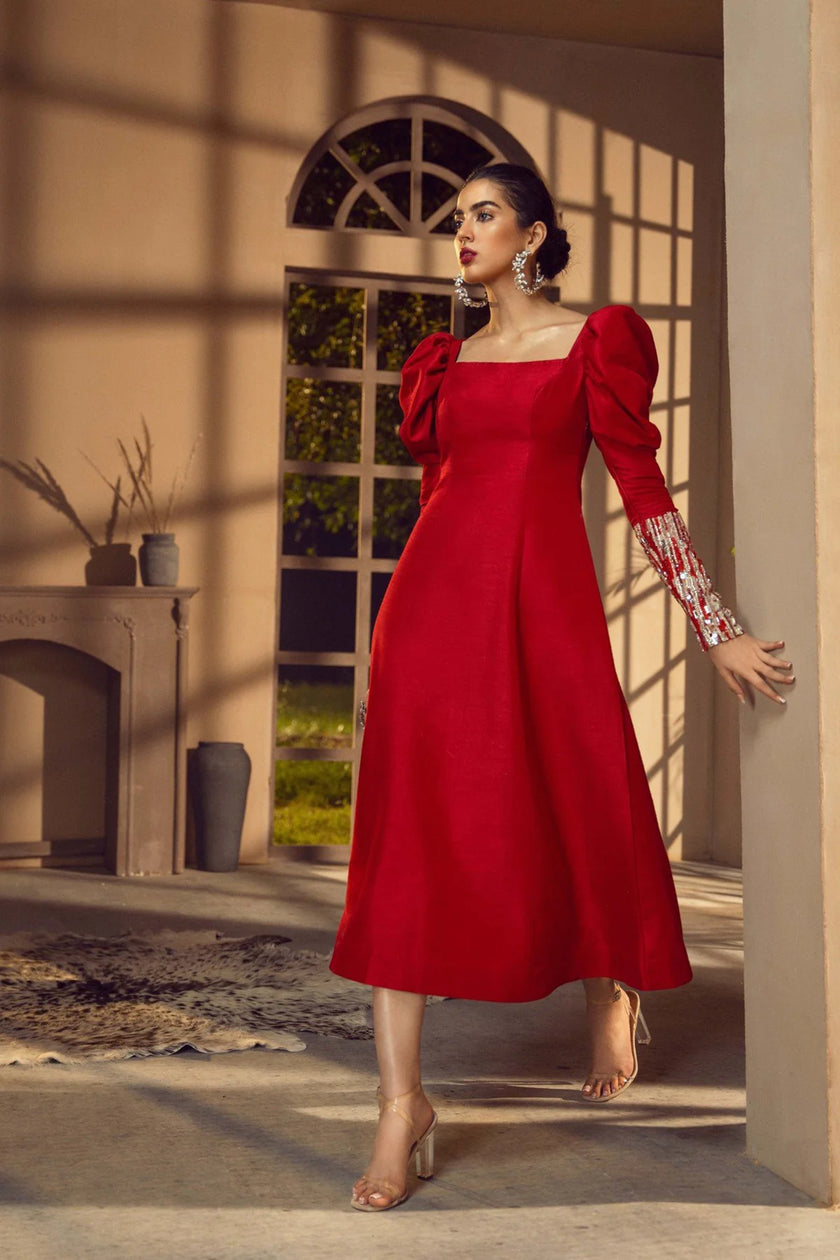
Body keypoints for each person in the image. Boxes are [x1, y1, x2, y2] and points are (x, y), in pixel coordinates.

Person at [328, 162, 794, 1212]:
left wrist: (713, 629)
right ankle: (402, 1103)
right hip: (431, 620)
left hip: (544, 616)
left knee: (580, 803)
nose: (464, 233)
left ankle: (610, 985)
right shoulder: (441, 363)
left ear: (534, 234)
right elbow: (436, 508)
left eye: (483, 215)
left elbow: (646, 498)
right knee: (407, 847)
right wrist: (379, 651)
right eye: (457, 220)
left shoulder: (593, 343)